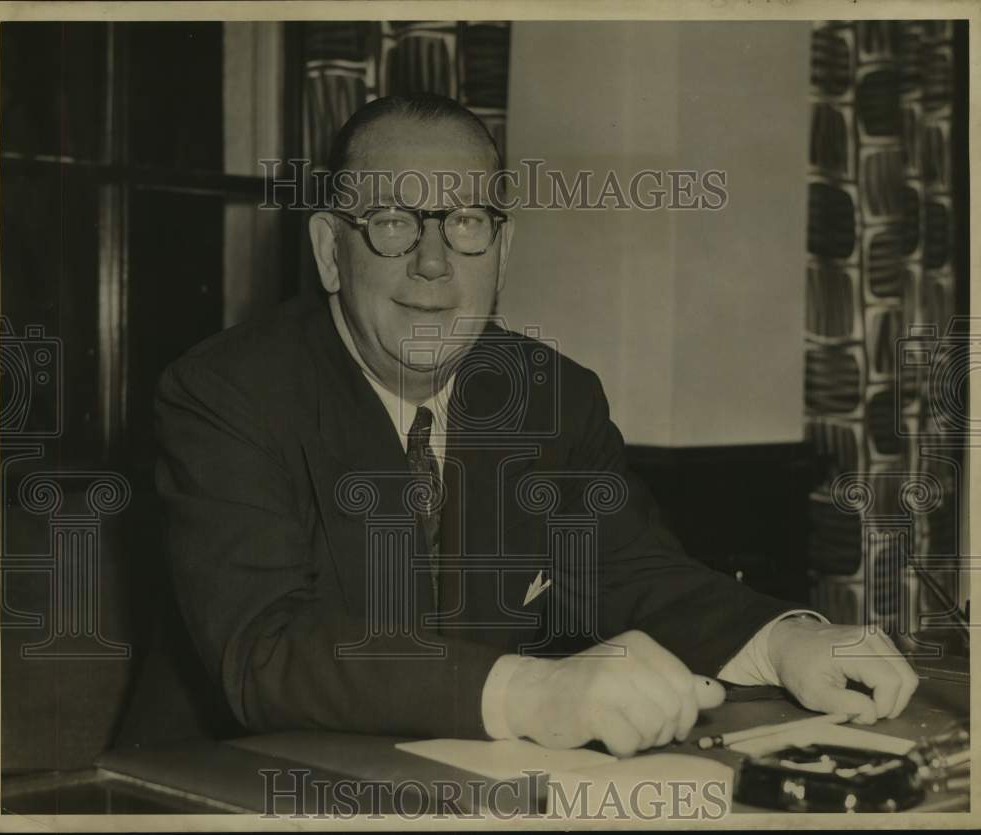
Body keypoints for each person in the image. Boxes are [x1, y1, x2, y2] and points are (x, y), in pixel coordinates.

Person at [119, 94, 918, 758]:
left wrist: (784, 639)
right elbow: (268, 650)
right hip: (228, 787)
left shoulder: (552, 397)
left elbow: (627, 570)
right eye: (395, 221)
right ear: (332, 251)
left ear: (502, 252)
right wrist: (533, 690)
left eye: (466, 223)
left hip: (462, 789)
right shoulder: (225, 393)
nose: (434, 263)